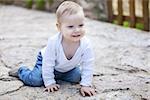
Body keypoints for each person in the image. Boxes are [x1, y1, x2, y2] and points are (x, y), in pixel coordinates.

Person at [9, 1, 96, 96]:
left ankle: (57, 75)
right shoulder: (54, 42)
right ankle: (21, 71)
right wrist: (50, 82)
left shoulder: (86, 44)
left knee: (77, 77)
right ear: (59, 27)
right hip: (45, 61)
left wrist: (86, 85)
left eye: (81, 25)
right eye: (70, 26)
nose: (77, 30)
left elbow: (88, 64)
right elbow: (48, 63)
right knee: (35, 80)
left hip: (66, 68)